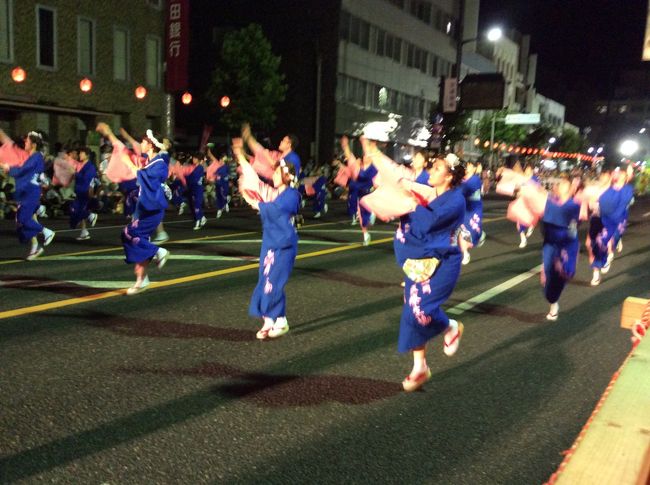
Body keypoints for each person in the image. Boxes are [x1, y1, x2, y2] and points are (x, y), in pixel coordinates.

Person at [392, 154, 467, 392]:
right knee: (411, 309)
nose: (430, 171)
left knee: (422, 309)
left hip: (444, 261)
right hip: (421, 257)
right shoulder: (430, 193)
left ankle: (450, 326)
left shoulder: (456, 200)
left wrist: (412, 204)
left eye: (437, 168)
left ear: (450, 175)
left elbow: (429, 223)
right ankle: (419, 367)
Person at [233, 134, 300, 340]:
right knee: (264, 280)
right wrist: (241, 157)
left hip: (284, 245)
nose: (274, 174)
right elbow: (255, 182)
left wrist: (257, 204)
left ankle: (281, 321)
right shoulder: (275, 192)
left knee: (274, 282)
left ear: (287, 175)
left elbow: (275, 209)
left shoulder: (291, 195)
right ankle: (269, 320)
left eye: (278, 172)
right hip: (271, 243)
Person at [97, 123, 170, 295]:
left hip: (152, 209)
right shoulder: (148, 161)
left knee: (129, 234)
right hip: (145, 207)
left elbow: (145, 177)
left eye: (144, 142)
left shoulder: (160, 163)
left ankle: (159, 251)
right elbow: (123, 150)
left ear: (151, 144)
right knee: (137, 239)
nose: (141, 144)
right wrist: (109, 134)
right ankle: (141, 280)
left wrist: (130, 165)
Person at [0, 129, 55, 260]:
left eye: (27, 141)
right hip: (26, 192)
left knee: (24, 219)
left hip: (31, 192)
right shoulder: (32, 157)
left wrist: (7, 167)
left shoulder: (36, 157)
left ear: (34, 144)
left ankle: (46, 232)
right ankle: (35, 247)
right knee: (21, 221)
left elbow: (23, 171)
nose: (25, 142)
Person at [539, 175, 580, 320]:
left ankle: (554, 305)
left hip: (565, 245)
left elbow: (571, 231)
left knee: (558, 276)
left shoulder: (573, 205)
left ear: (569, 190)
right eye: (559, 184)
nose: (559, 186)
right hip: (550, 243)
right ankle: (553, 302)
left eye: (563, 185)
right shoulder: (550, 202)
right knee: (547, 279)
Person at [459, 161, 486, 264]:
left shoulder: (475, 179)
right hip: (464, 208)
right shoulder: (463, 179)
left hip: (474, 208)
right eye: (467, 165)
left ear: (474, 168)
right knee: (463, 229)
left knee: (472, 229)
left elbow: (466, 190)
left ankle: (479, 235)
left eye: (470, 166)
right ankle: (465, 253)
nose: (468, 167)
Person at [70, 147, 99, 240]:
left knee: (75, 209)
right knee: (79, 210)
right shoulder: (81, 165)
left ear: (87, 155)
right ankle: (84, 232)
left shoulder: (90, 166)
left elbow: (87, 178)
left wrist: (75, 173)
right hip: (79, 191)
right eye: (80, 153)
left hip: (85, 191)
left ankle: (90, 215)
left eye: (82, 153)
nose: (80, 155)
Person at [186, 152, 207, 230]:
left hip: (197, 188)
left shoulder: (200, 168)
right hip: (191, 188)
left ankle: (198, 221)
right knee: (192, 205)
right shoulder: (192, 167)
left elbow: (193, 178)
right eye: (193, 158)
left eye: (195, 158)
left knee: (197, 204)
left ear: (199, 160)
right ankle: (202, 217)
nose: (193, 159)